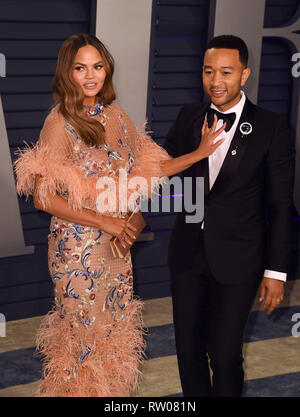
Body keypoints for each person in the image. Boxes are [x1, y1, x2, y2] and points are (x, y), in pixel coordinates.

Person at [14, 33, 224, 397]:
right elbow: (42, 198)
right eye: (80, 68)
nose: (90, 75)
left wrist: (198, 153)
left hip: (116, 250)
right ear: (67, 73)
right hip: (77, 251)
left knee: (114, 336)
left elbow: (149, 170)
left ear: (107, 70)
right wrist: (105, 221)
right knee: (83, 341)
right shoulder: (59, 122)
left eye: (97, 66)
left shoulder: (117, 116)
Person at [164, 35, 295, 397]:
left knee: (223, 353)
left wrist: (276, 271)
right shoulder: (189, 116)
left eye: (226, 72)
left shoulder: (271, 126)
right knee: (188, 352)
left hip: (240, 258)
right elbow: (162, 173)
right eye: (208, 71)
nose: (215, 81)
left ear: (244, 75)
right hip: (188, 254)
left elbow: (281, 205)